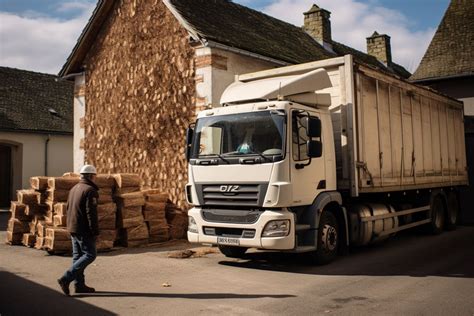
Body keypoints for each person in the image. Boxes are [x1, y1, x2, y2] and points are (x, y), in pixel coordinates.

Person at [58, 164, 100, 296]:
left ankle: (79, 285)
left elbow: (68, 208)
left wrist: (69, 226)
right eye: (95, 176)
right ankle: (66, 278)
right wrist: (94, 230)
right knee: (90, 255)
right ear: (92, 176)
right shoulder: (90, 190)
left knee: (78, 257)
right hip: (83, 229)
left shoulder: (74, 188)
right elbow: (90, 213)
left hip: (73, 227)